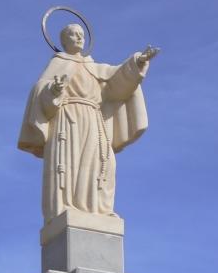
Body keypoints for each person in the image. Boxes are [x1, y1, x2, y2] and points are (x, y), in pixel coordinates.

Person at [18, 23, 159, 224]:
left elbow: (117, 82)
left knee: (103, 163)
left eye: (81, 34)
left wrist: (137, 62)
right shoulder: (57, 64)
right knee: (71, 163)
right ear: (64, 40)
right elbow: (40, 93)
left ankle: (98, 207)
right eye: (73, 34)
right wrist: (54, 90)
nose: (78, 38)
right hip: (68, 121)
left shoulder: (95, 67)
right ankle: (65, 205)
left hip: (94, 119)